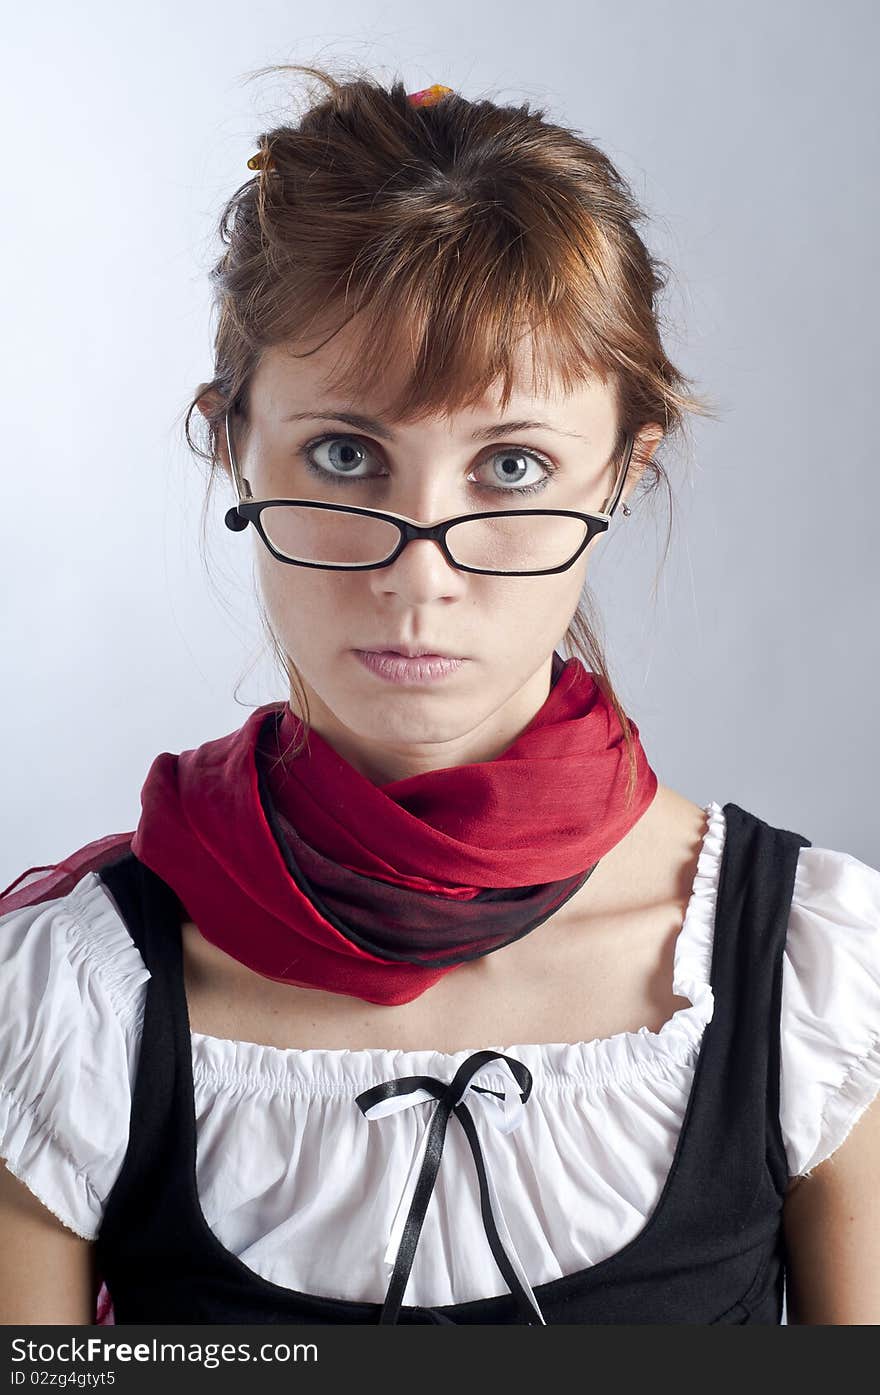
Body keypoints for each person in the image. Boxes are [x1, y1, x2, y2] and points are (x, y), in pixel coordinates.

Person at [1, 69, 878, 1328]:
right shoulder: (67, 999)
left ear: (624, 470)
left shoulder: (807, 974)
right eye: (345, 456)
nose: (419, 574)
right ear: (231, 441)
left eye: (512, 466)